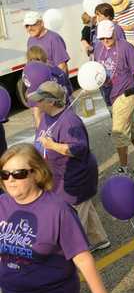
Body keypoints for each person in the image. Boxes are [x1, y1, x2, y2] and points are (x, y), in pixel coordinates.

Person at [0, 143, 119, 293]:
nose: (11, 180)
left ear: (36, 173)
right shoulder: (2, 205)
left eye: (19, 174)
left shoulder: (58, 210)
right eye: (5, 174)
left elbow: (82, 259)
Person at [29, 81, 110, 252]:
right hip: (59, 176)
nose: (36, 103)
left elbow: (78, 148)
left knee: (72, 218)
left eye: (39, 100)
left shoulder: (69, 121)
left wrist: (52, 146)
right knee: (84, 208)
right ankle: (99, 240)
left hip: (75, 177)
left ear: (51, 102)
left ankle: (73, 253)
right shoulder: (46, 116)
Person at [94, 20, 134, 174]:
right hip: (111, 94)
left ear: (114, 33)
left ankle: (123, 167)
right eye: (102, 38)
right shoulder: (98, 48)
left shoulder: (126, 47)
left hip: (127, 92)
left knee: (119, 131)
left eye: (108, 37)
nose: (105, 41)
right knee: (132, 129)